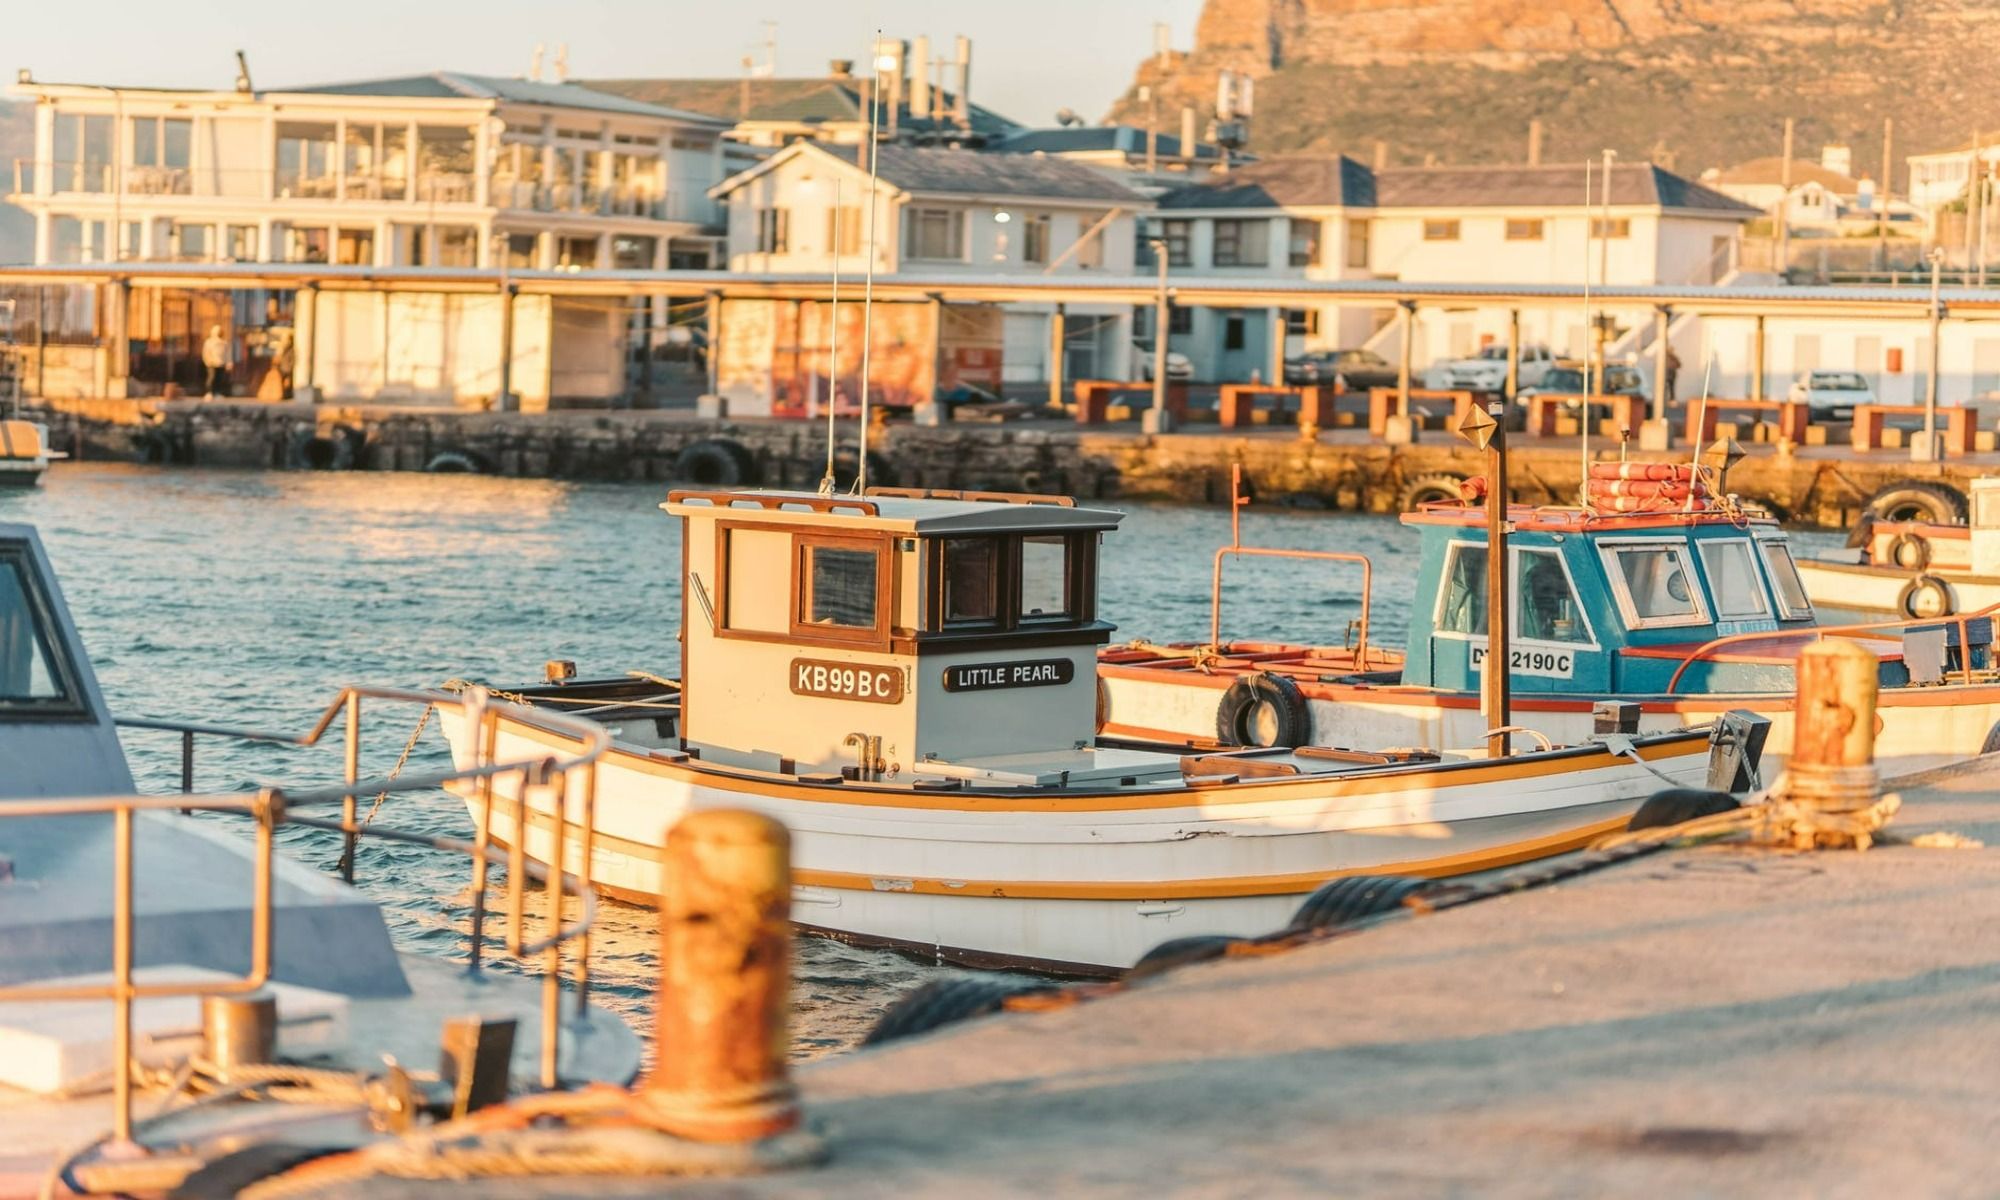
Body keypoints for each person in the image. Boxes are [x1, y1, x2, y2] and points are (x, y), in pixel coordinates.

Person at [201, 325, 233, 400]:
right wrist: (207, 360)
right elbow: (205, 352)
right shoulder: (209, 342)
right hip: (211, 363)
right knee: (211, 378)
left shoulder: (224, 343)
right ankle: (209, 392)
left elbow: (228, 354)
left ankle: (218, 393)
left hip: (221, 363)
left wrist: (229, 362)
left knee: (219, 379)